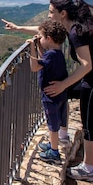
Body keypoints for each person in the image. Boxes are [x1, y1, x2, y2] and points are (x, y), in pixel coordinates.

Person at [2, 0, 93, 182]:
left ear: (62, 13)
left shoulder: (76, 33)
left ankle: (89, 169)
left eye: (51, 12)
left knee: (90, 125)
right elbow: (44, 31)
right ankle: (62, 137)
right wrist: (18, 28)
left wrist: (63, 84)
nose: (49, 16)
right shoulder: (72, 27)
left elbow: (86, 65)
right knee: (64, 94)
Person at [26, 19, 70, 164]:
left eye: (42, 36)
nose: (40, 38)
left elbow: (35, 67)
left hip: (50, 96)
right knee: (56, 121)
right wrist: (39, 45)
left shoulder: (51, 55)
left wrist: (32, 47)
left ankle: (54, 152)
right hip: (60, 95)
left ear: (49, 39)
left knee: (52, 124)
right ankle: (52, 145)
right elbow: (44, 61)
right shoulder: (56, 53)